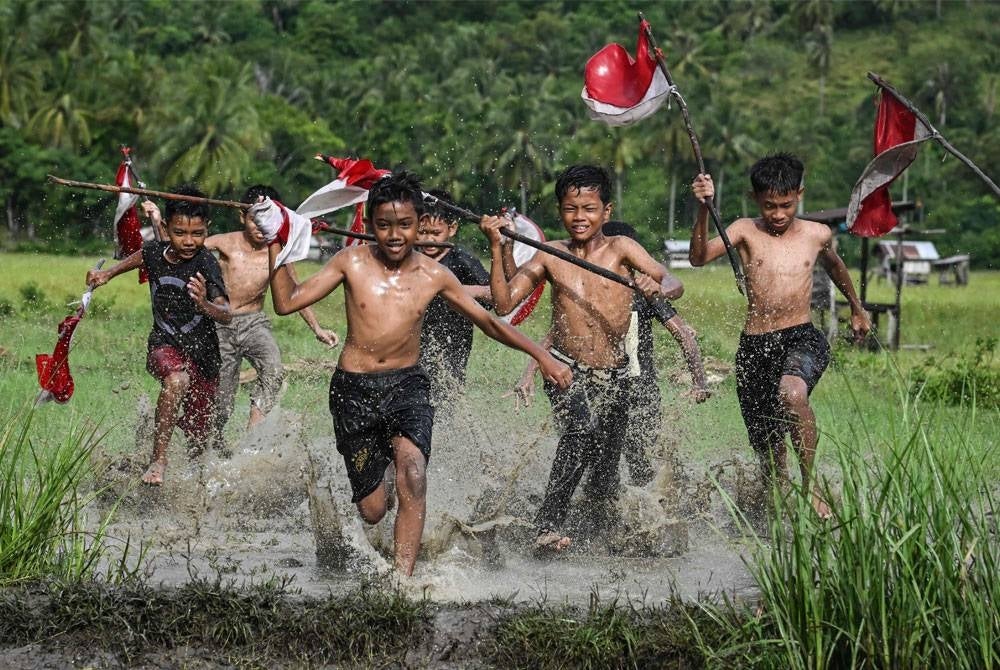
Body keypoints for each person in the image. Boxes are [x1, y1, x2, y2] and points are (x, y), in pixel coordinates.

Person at [252, 170, 572, 576]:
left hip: (407, 386)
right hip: (355, 391)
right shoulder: (350, 262)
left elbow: (490, 321)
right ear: (370, 225)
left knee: (415, 474)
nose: (395, 235)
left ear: (420, 224)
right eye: (384, 225)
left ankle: (403, 580)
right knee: (372, 511)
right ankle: (382, 471)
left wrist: (543, 358)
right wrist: (274, 239)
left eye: (405, 224)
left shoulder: (435, 275)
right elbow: (287, 302)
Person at [480, 165, 683, 552]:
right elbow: (505, 302)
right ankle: (547, 524)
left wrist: (653, 285)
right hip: (564, 368)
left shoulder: (623, 249)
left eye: (588, 209)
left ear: (606, 211)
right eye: (571, 209)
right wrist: (496, 247)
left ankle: (595, 527)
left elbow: (674, 282)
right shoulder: (550, 255)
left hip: (617, 376)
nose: (579, 218)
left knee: (605, 473)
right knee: (580, 431)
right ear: (560, 211)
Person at [689, 152, 871, 518]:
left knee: (792, 393)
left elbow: (836, 267)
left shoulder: (817, 234)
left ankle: (810, 486)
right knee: (770, 456)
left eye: (786, 205)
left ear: (799, 195)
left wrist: (857, 307)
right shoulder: (743, 230)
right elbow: (697, 257)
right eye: (770, 205)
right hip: (755, 346)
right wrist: (705, 209)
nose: (777, 214)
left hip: (800, 336)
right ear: (756, 198)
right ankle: (777, 514)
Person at [508, 220, 710, 487]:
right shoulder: (590, 294)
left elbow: (682, 332)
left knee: (640, 461)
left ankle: (636, 510)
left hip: (642, 390)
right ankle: (596, 502)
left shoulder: (646, 294)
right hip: (597, 383)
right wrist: (528, 375)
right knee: (592, 451)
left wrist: (699, 380)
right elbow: (553, 336)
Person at [87, 186, 231, 485]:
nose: (189, 241)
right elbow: (140, 257)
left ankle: (190, 493)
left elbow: (226, 312)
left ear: (208, 230)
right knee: (176, 379)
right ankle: (158, 460)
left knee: (198, 437)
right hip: (164, 345)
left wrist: (204, 303)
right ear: (166, 227)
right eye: (180, 233)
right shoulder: (154, 252)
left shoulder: (206, 263)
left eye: (197, 233)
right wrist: (107, 274)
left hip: (204, 355)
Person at [200, 185, 339, 448]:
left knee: (273, 370)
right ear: (242, 216)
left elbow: (296, 294)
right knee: (222, 402)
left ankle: (253, 437)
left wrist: (317, 329)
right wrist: (158, 222)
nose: (261, 227)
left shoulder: (278, 252)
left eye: (269, 220)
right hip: (220, 325)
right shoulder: (223, 242)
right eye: (256, 219)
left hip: (254, 323)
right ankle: (214, 440)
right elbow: (185, 248)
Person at [416, 189, 492, 404]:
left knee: (444, 402)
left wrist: (452, 290)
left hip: (452, 349)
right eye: (421, 232)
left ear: (452, 229)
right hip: (411, 345)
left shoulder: (462, 260)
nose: (428, 240)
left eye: (435, 233)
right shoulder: (408, 258)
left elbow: (493, 295)